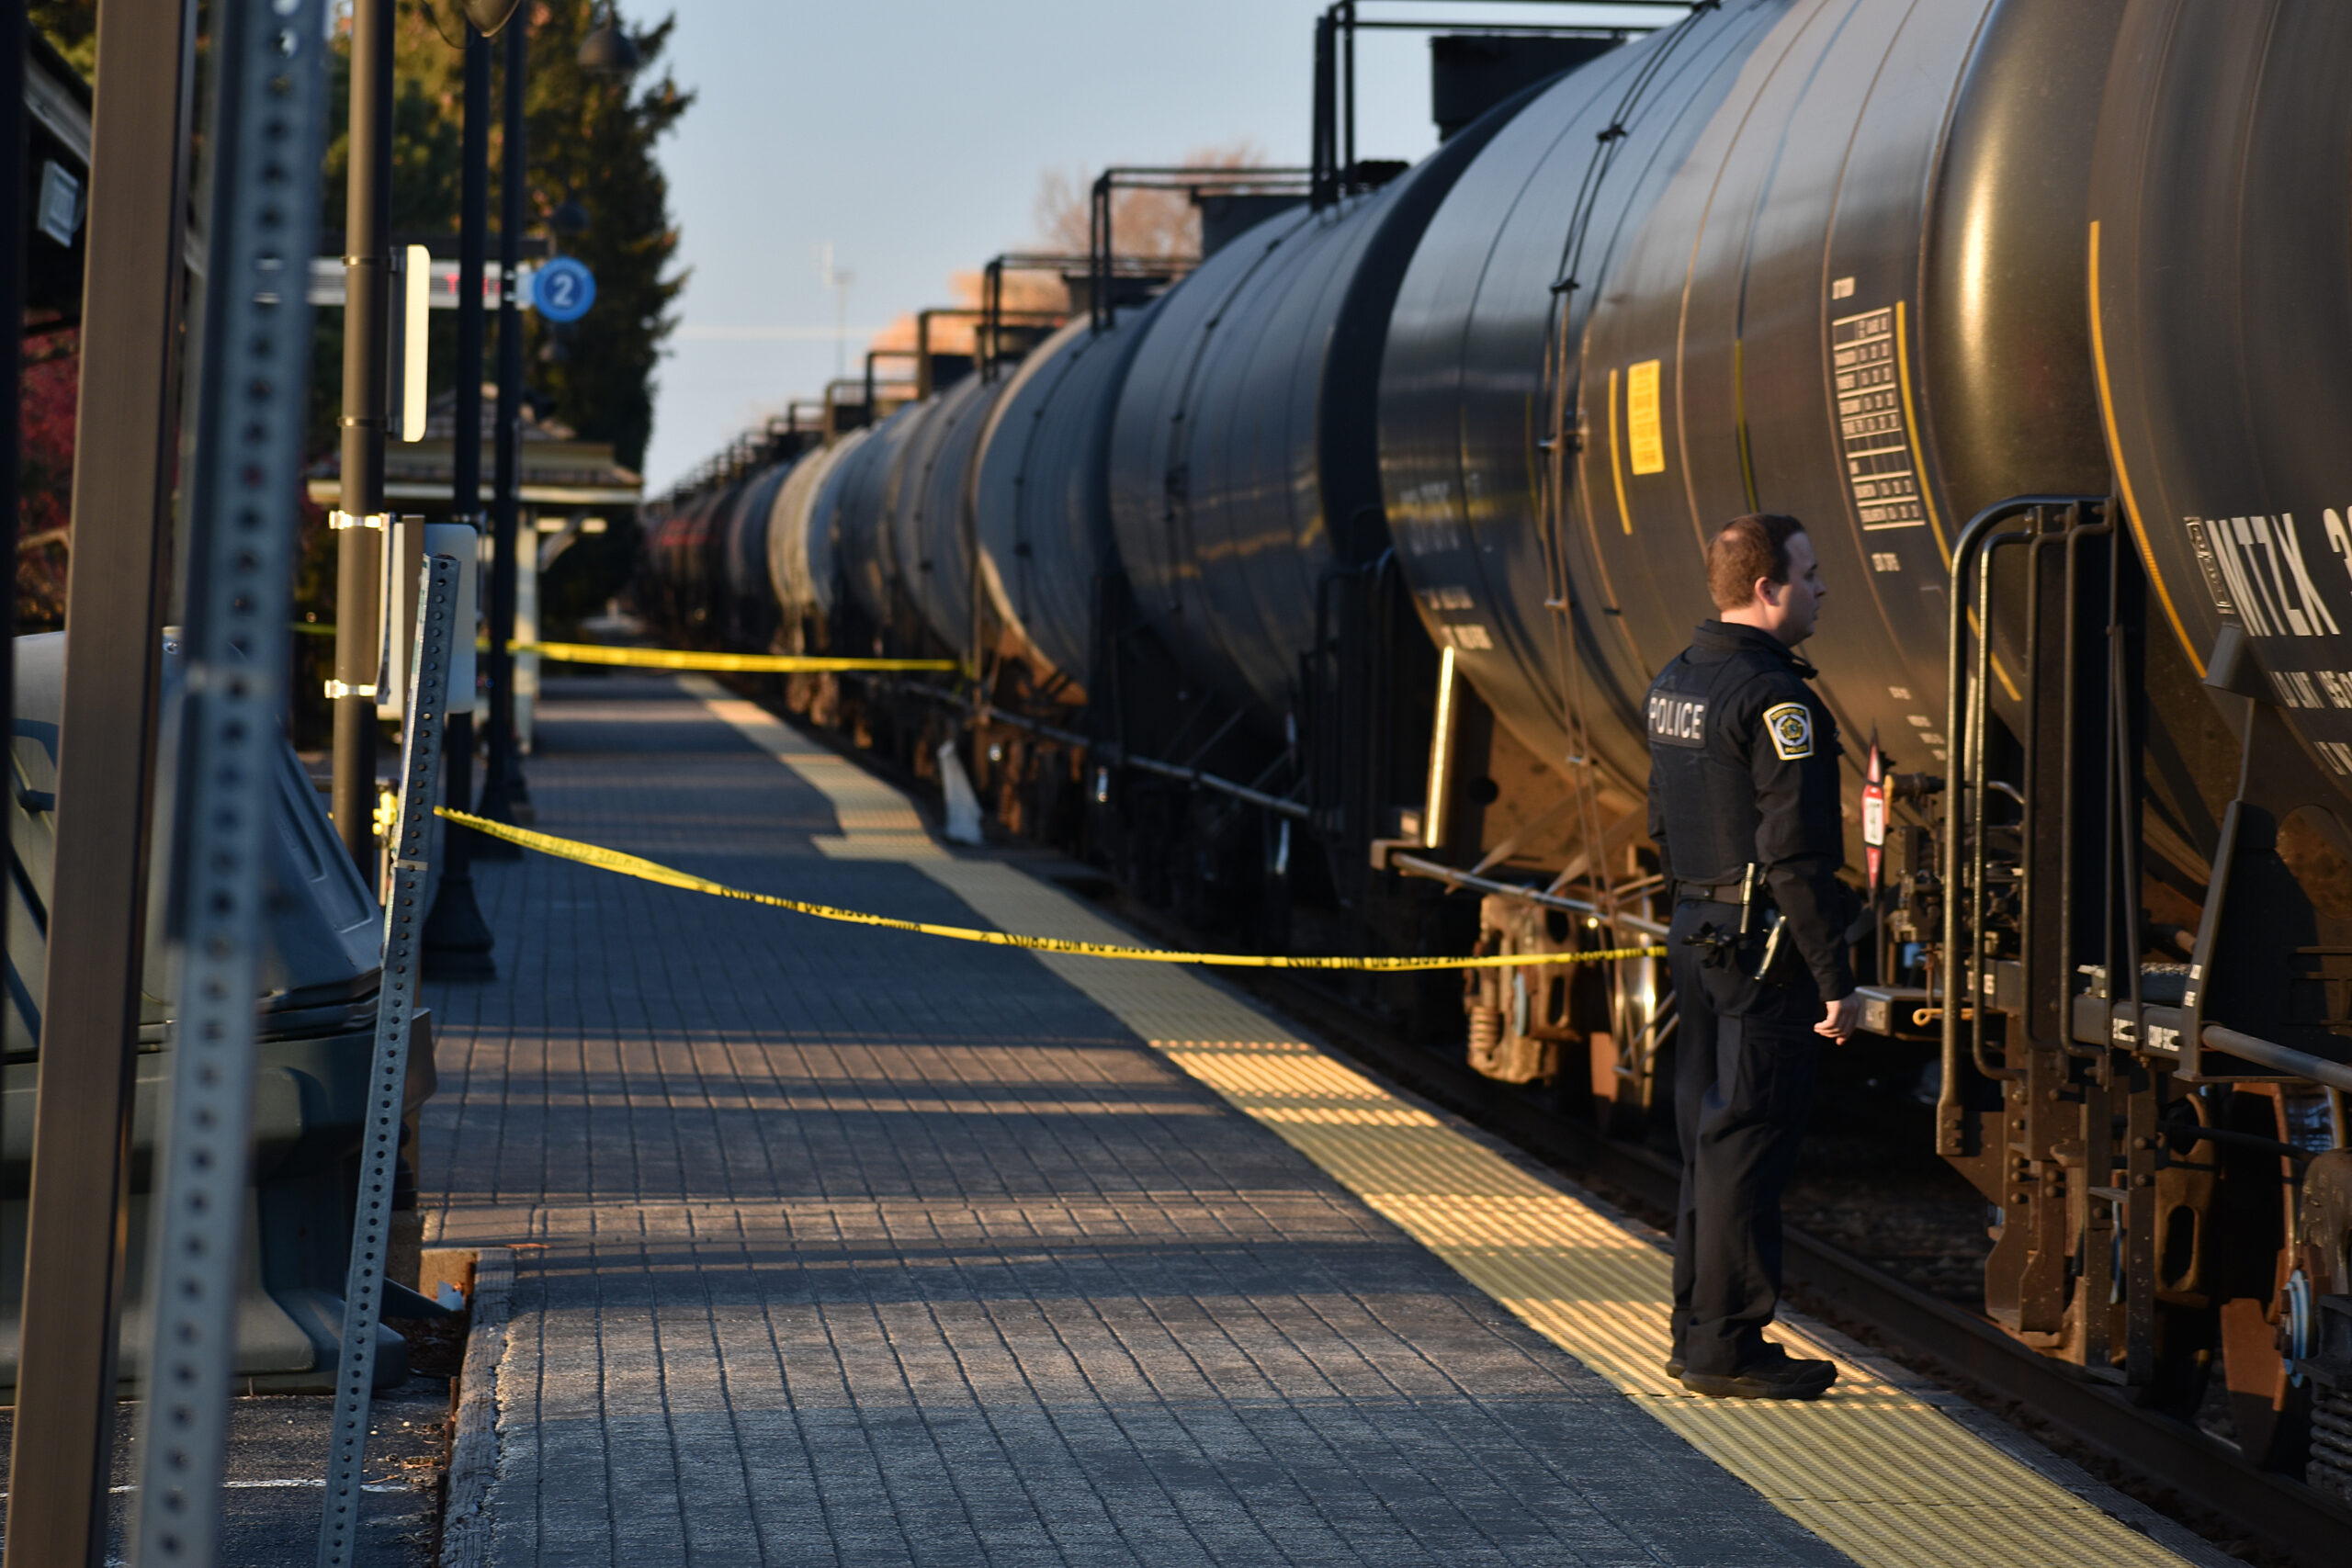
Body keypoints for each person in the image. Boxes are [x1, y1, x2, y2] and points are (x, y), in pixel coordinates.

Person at [1646, 513, 1861, 1400]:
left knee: (1707, 1136)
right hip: (1762, 950)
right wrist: (1834, 980)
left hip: (1695, 931)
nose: (1821, 589)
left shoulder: (1677, 678)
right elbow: (1798, 857)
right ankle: (1728, 1346)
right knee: (1748, 1139)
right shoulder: (1777, 701)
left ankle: (1694, 1325)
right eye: (1810, 574)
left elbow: (1662, 818)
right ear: (1768, 588)